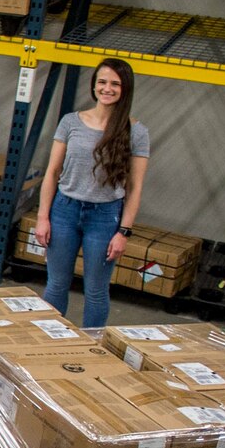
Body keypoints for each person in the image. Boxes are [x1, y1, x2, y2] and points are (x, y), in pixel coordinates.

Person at [34, 59, 150, 330]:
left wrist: (124, 232)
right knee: (56, 284)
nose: (106, 88)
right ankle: (47, 343)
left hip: (104, 217)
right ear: (94, 85)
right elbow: (52, 173)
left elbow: (135, 187)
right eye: (102, 82)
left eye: (114, 84)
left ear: (125, 89)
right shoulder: (70, 122)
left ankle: (91, 348)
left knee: (96, 291)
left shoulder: (136, 132)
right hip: (64, 211)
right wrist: (43, 217)